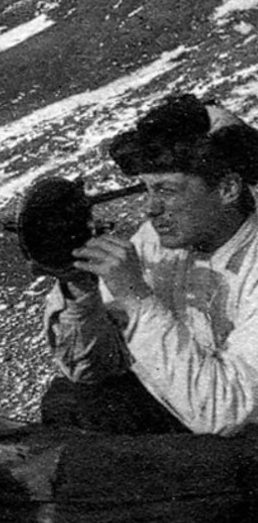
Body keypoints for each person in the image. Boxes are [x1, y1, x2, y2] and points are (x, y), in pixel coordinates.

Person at [43, 93, 258, 434]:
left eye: (167, 191)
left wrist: (137, 300)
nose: (151, 209)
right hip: (194, 415)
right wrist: (82, 297)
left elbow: (227, 413)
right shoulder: (157, 241)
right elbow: (91, 369)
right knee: (71, 401)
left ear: (229, 188)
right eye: (147, 190)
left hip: (240, 437)